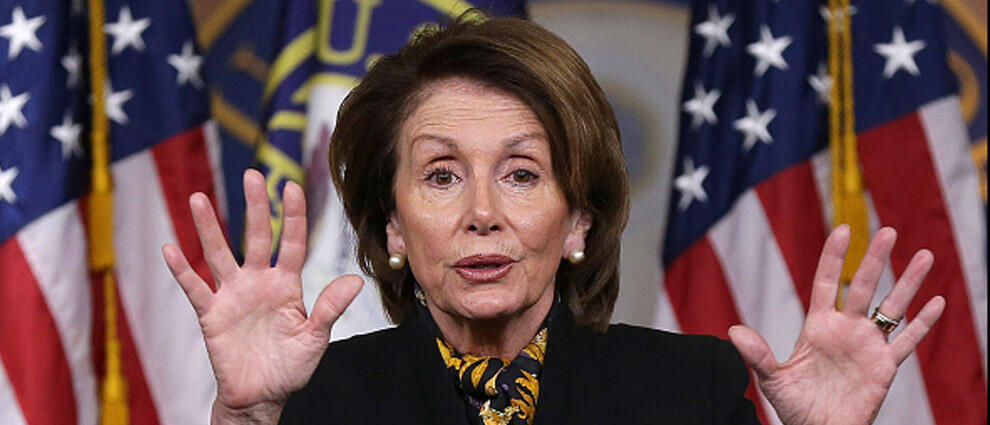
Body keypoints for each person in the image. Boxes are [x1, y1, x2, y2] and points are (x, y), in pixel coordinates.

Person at [161, 14, 946, 425]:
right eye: (441, 175)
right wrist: (249, 415)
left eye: (521, 174)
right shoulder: (314, 403)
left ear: (579, 223)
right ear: (392, 228)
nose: (481, 214)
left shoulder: (688, 393)